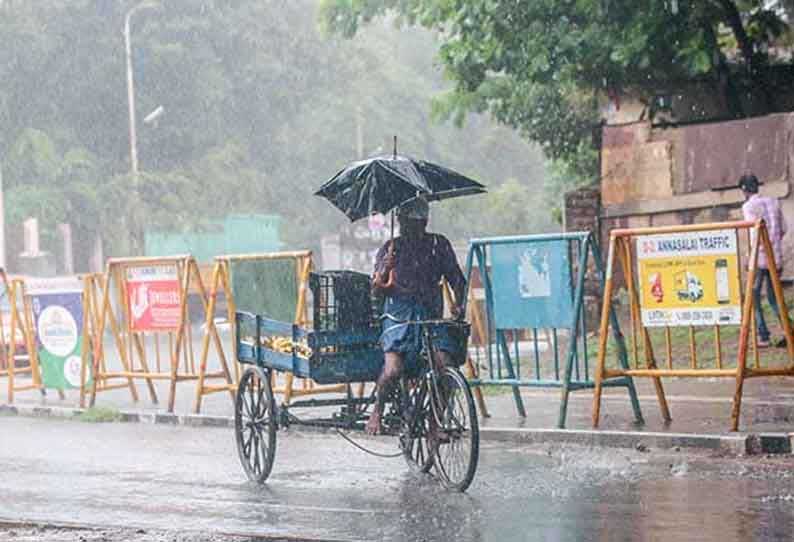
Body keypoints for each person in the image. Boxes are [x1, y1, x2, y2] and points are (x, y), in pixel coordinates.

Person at [365, 197, 466, 435]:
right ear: (399, 222)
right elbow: (376, 289)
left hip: (430, 315)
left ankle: (435, 419)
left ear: (425, 222)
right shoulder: (391, 248)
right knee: (393, 370)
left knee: (445, 365)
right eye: (406, 223)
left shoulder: (438, 245)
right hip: (398, 316)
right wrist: (385, 268)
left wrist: (459, 306)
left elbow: (457, 281)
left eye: (415, 223)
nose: (410, 228)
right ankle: (377, 409)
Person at [739, 173, 788, 347]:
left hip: (759, 258)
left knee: (754, 295)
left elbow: (755, 234)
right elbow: (784, 228)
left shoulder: (748, 207)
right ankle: (788, 332)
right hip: (776, 256)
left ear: (744, 190)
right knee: (775, 298)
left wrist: (749, 257)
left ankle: (763, 335)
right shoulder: (774, 202)